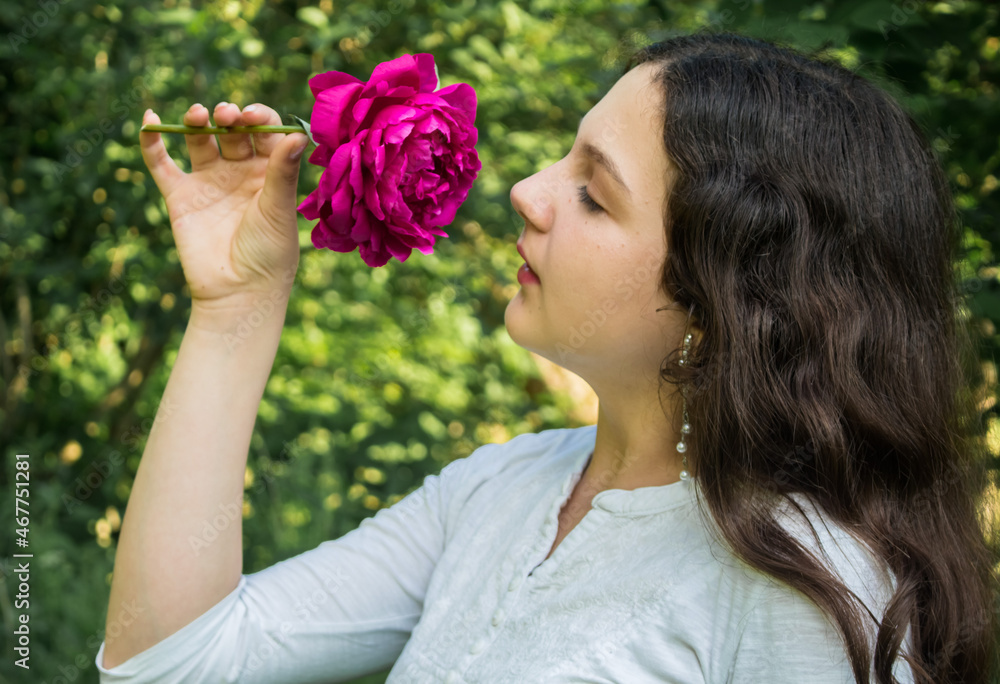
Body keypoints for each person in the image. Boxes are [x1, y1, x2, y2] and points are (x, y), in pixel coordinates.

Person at [95, 30, 997, 683]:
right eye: (563, 157)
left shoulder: (806, 585)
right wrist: (236, 308)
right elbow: (173, 661)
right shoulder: (501, 490)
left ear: (724, 303)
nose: (525, 192)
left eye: (595, 196)